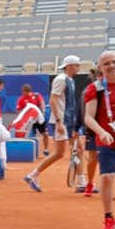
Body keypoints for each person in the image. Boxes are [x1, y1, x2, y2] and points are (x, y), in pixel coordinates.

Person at [24, 55, 82, 192]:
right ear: (69, 66)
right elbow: (53, 100)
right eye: (77, 65)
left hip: (69, 121)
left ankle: (82, 182)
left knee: (78, 149)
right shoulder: (60, 80)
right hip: (61, 121)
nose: (79, 67)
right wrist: (59, 122)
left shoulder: (70, 80)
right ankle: (33, 174)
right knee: (59, 153)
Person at [83, 51, 115, 229]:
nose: (111, 65)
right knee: (107, 177)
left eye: (114, 61)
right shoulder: (95, 88)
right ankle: (109, 218)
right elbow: (88, 117)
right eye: (106, 63)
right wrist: (102, 132)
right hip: (106, 139)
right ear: (100, 68)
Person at [15, 83, 49, 155]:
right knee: (29, 136)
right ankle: (29, 152)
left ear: (30, 91)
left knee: (45, 134)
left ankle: (46, 149)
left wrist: (43, 111)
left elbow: (42, 103)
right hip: (29, 121)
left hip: (39, 118)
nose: (25, 93)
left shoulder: (36, 95)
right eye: (24, 91)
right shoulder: (21, 99)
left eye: (27, 91)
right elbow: (18, 110)